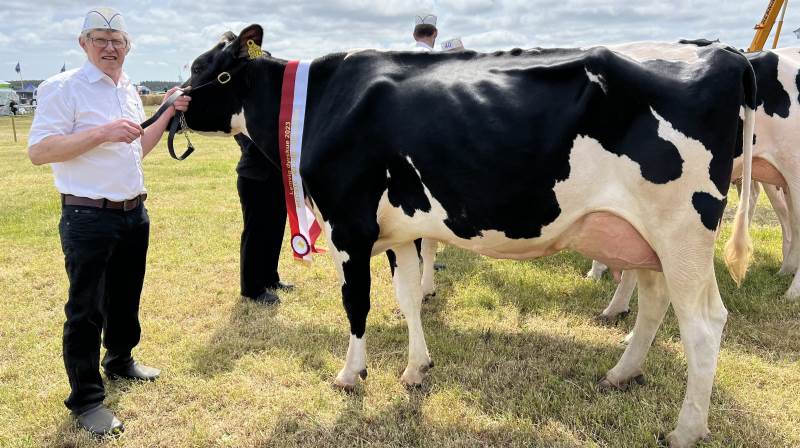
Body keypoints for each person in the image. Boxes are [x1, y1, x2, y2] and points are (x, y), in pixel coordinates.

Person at [26, 7, 190, 436]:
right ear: (84, 45)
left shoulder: (129, 91)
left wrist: (167, 112)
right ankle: (86, 400)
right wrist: (101, 133)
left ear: (128, 47)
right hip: (87, 215)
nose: (110, 47)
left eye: (117, 40)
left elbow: (137, 148)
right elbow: (40, 151)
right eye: (100, 39)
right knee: (85, 309)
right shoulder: (63, 88)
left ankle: (119, 359)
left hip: (133, 211)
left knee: (124, 296)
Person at [235, 134, 293, 304]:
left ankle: (270, 279)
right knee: (255, 233)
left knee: (275, 230)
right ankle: (251, 289)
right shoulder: (246, 111)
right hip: (253, 178)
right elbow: (247, 143)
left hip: (277, 178)